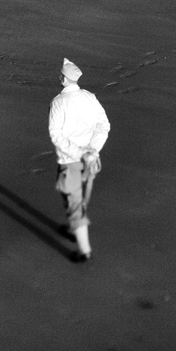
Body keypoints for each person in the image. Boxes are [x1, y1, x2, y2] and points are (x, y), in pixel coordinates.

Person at [48, 57, 110, 262]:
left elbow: (56, 135)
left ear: (64, 79)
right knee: (80, 199)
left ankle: (84, 251)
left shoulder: (58, 103)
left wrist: (80, 152)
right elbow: (103, 125)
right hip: (90, 161)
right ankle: (76, 227)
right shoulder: (90, 97)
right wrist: (93, 150)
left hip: (70, 162)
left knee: (73, 204)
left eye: (60, 74)